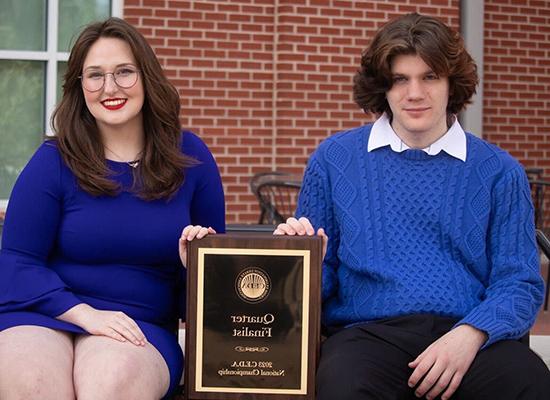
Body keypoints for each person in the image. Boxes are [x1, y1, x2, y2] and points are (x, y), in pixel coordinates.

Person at [274, 12, 550, 400]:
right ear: (382, 87)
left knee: (530, 382)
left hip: (469, 336)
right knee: (341, 386)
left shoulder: (499, 171)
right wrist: (301, 261)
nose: (414, 93)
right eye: (400, 79)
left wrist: (471, 334)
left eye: (429, 77)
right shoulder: (334, 159)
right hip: (367, 337)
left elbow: (519, 283)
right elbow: (319, 285)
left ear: (452, 84)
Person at [0, 17, 224, 400]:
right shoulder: (54, 160)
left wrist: (196, 262)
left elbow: (215, 293)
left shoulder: (191, 157)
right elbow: (16, 262)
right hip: (43, 314)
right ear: (79, 86)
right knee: (29, 381)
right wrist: (85, 314)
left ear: (147, 77)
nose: (110, 88)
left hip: (138, 324)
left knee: (111, 382)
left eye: (124, 72)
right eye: (95, 75)